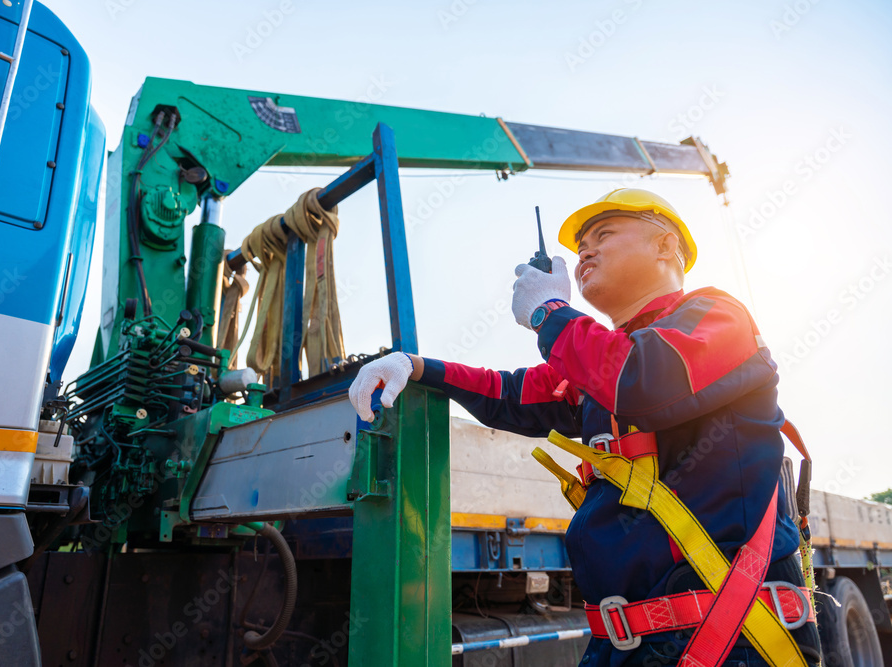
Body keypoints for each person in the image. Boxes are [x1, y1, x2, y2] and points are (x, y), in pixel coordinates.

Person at [348, 189, 821, 666]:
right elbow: (511, 396)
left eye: (604, 234)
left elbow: (647, 381)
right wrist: (417, 366)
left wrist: (548, 314)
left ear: (665, 247)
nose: (584, 253)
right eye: (580, 247)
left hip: (731, 635)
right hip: (625, 645)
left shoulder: (719, 316)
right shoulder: (601, 360)